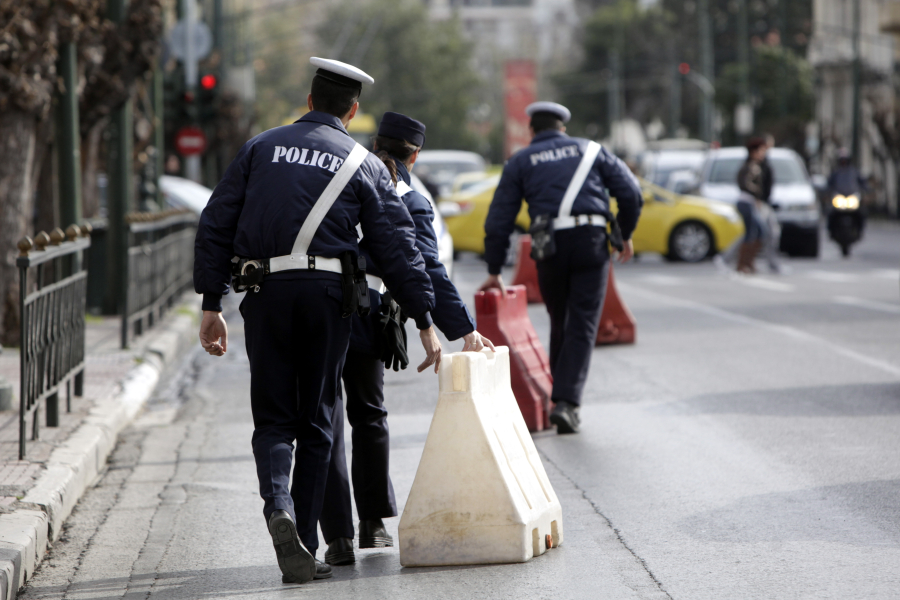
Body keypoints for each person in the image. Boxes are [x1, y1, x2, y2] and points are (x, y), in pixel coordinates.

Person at [193, 58, 443, 585]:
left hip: (263, 291)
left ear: (308, 102)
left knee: (274, 418)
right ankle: (302, 542)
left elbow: (216, 221)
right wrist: (424, 317)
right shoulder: (365, 163)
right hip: (330, 298)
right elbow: (398, 249)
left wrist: (210, 303)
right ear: (352, 111)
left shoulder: (260, 148)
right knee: (317, 421)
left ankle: (278, 506)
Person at [318, 112, 495, 566]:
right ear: (415, 154)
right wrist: (463, 328)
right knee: (369, 414)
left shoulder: (337, 169)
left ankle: (335, 537)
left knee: (326, 419)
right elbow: (426, 268)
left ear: (376, 142)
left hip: (314, 305)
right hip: (367, 313)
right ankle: (372, 523)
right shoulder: (409, 197)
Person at [479, 101, 643, 435]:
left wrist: (494, 268)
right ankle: (567, 403)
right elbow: (631, 194)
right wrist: (622, 235)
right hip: (591, 241)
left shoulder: (521, 160)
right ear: (562, 128)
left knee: (560, 319)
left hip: (548, 245)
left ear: (532, 131)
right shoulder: (592, 150)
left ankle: (560, 399)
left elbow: (500, 218)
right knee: (582, 321)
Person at [734, 136, 769, 273]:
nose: (763, 154)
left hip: (750, 202)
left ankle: (748, 263)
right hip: (746, 201)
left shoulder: (755, 165)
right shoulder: (750, 166)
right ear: (753, 151)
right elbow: (744, 183)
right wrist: (756, 194)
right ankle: (743, 264)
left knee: (758, 232)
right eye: (761, 150)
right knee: (753, 232)